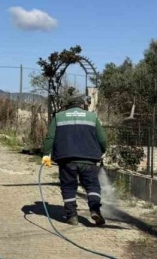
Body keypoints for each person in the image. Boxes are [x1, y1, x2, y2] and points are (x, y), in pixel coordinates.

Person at [42, 95, 108, 226]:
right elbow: (102, 139)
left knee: (68, 187)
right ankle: (95, 210)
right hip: (88, 159)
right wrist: (103, 150)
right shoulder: (92, 117)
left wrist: (46, 154)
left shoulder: (59, 117)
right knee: (92, 186)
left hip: (66, 159)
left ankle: (72, 216)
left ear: (68, 106)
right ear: (82, 105)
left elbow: (50, 137)